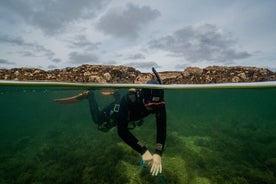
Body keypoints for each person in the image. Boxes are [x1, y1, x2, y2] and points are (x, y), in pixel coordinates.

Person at [54, 68, 167, 176]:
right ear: (141, 97)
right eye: (149, 105)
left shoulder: (158, 104)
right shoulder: (130, 99)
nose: (152, 109)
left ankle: (115, 93)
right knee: (98, 120)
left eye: (155, 106)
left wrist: (158, 152)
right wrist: (143, 150)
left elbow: (162, 127)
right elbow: (122, 130)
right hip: (119, 109)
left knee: (110, 124)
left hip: (129, 114)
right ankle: (90, 95)